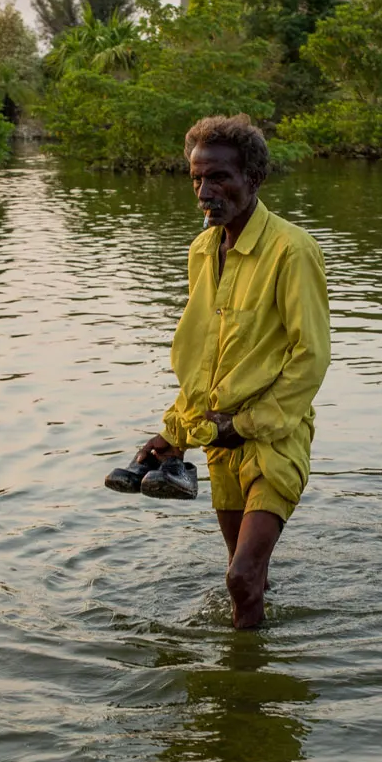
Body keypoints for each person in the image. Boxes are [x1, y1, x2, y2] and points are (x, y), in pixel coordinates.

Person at [107, 116, 330, 630]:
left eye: (220, 178)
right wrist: (176, 431)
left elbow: (311, 356)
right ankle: (252, 652)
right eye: (197, 179)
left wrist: (244, 425)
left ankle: (246, 691)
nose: (206, 192)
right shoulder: (203, 250)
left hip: (275, 438)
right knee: (245, 573)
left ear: (253, 178)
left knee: (240, 577)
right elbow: (202, 356)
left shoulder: (292, 250)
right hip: (216, 438)